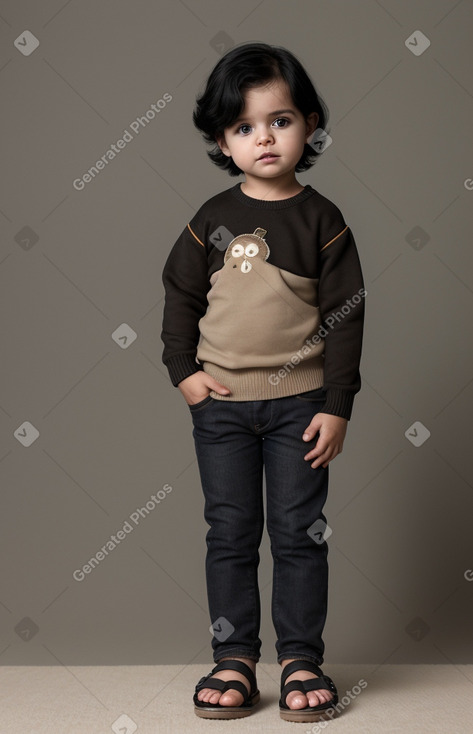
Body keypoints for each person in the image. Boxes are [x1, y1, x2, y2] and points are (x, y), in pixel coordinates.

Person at [160, 42, 365, 723]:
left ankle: (302, 657)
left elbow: (344, 316)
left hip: (300, 407)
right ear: (222, 140)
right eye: (244, 127)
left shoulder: (322, 220)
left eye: (279, 121)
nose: (263, 138)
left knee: (299, 532)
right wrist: (182, 373)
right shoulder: (210, 220)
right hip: (220, 409)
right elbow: (179, 299)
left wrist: (336, 405)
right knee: (229, 532)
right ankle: (235, 659)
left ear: (308, 125)